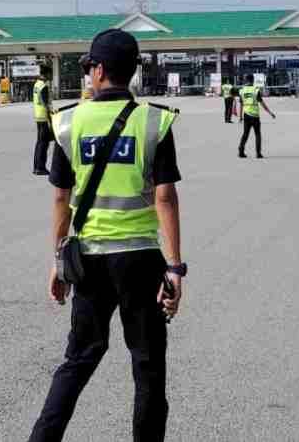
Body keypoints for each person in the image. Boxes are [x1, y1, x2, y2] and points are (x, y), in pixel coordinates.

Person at [29, 29, 185, 442]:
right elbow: (166, 197)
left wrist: (58, 262)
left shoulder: (67, 123)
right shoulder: (154, 121)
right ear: (131, 72)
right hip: (140, 260)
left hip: (91, 259)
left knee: (78, 358)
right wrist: (175, 267)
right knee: (148, 365)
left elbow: (61, 199)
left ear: (97, 70)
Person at [238, 74, 276, 159]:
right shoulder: (256, 90)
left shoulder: (242, 91)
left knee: (245, 134)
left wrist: (240, 117)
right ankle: (258, 153)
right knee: (257, 134)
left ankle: (241, 151)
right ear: (253, 80)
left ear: (245, 80)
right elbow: (263, 104)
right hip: (255, 116)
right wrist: (270, 113)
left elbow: (241, 105)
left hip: (246, 115)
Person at [32, 67, 53, 175]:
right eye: (50, 74)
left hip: (37, 116)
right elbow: (46, 104)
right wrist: (51, 118)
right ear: (46, 74)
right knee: (43, 144)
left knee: (39, 142)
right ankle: (41, 168)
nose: (50, 77)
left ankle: (36, 167)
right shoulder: (43, 86)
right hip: (44, 117)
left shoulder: (36, 84)